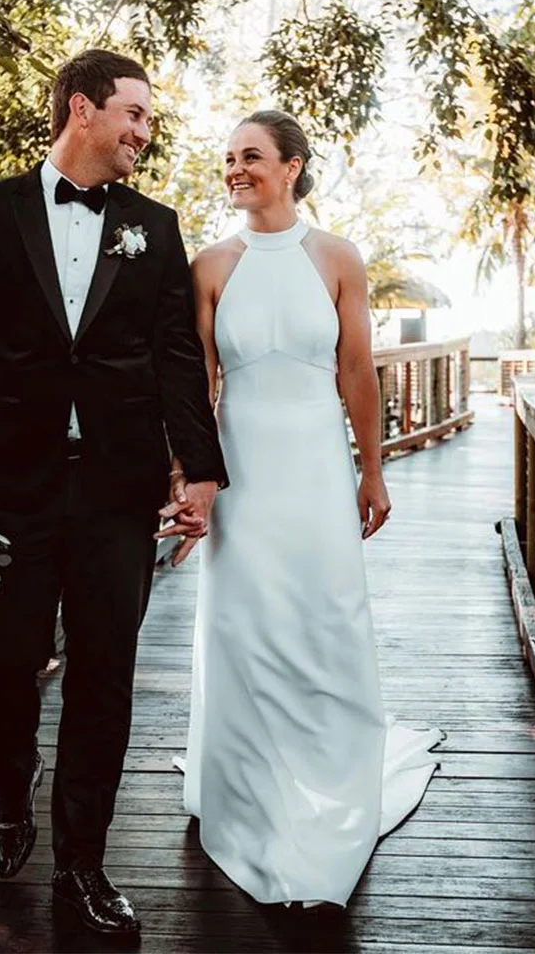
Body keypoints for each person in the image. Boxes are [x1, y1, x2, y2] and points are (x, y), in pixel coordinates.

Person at [0, 49, 226, 937]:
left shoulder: (154, 227)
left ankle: (82, 863)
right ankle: (13, 779)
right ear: (81, 109)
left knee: (105, 675)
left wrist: (199, 470)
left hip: (119, 493)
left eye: (149, 121)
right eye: (134, 115)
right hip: (11, 488)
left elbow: (175, 360)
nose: (143, 134)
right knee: (3, 661)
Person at [176, 110, 443, 907]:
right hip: (243, 473)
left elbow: (357, 371)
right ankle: (248, 782)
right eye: (227, 159)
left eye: (251, 156)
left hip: (319, 469)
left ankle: (330, 775)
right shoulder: (210, 266)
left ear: (292, 166)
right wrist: (187, 478)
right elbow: (199, 387)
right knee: (245, 622)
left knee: (325, 616)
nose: (235, 169)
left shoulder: (337, 258)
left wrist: (374, 471)